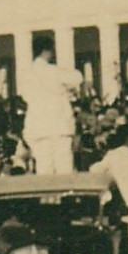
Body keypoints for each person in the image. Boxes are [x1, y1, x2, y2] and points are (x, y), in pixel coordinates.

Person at [23, 42, 82, 175]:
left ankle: (46, 196)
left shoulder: (27, 74)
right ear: (46, 51)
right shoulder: (53, 70)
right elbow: (77, 78)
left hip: (38, 127)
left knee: (44, 170)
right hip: (59, 125)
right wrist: (65, 88)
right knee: (64, 169)